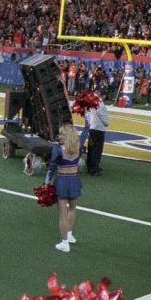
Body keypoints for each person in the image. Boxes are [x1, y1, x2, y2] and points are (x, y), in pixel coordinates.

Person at [47, 121, 88, 252]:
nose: (58, 136)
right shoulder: (78, 146)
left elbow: (52, 168)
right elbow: (85, 133)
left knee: (62, 214)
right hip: (75, 180)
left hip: (63, 181)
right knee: (73, 209)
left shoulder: (58, 149)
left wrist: (46, 182)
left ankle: (65, 243)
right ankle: (69, 235)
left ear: (66, 136)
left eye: (61, 134)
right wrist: (87, 122)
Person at [84, 95, 109, 176]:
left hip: (92, 128)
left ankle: (90, 166)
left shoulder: (92, 102)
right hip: (98, 129)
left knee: (91, 149)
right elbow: (103, 118)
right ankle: (94, 169)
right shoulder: (100, 104)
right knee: (97, 150)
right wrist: (107, 123)